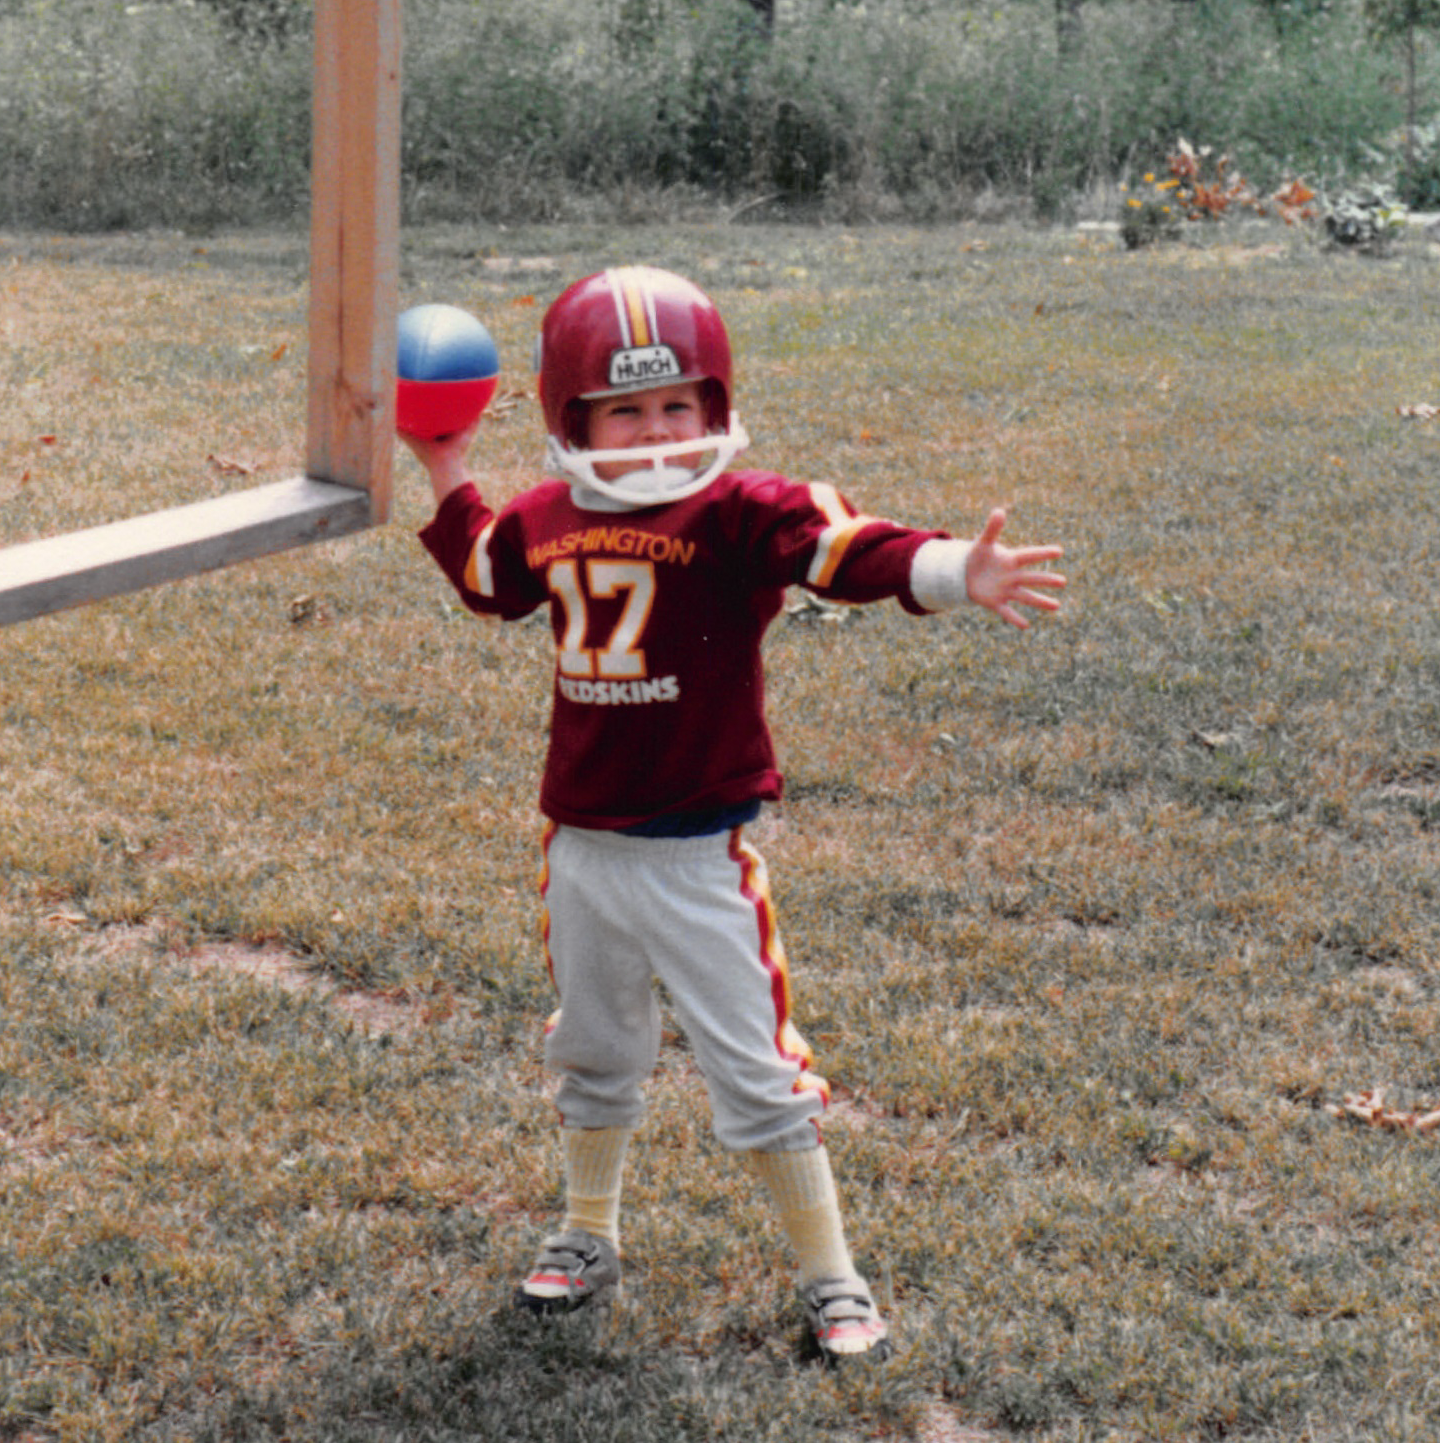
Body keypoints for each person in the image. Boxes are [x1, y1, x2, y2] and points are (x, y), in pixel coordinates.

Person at [402, 266, 1065, 1361]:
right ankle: (585, 1229)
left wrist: (953, 570)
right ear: (574, 417)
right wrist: (445, 463)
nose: (656, 431)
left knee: (757, 1070)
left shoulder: (737, 509)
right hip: (580, 844)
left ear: (714, 406)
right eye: (625, 409)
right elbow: (486, 577)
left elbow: (844, 551)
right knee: (594, 1047)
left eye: (677, 405)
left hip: (695, 854)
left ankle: (831, 1277)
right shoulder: (547, 515)